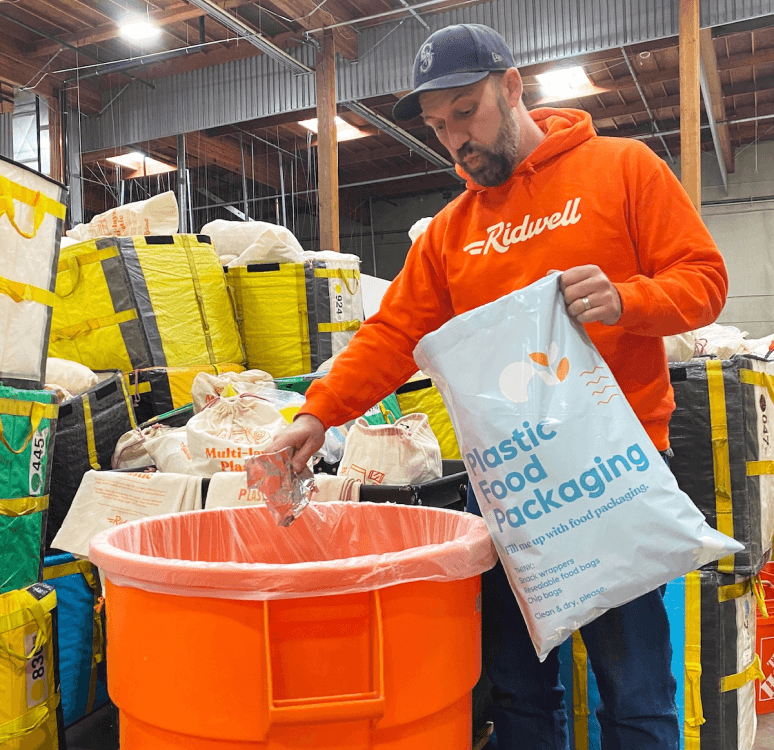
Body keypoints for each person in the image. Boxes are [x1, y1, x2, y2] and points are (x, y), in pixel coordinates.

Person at [271, 23, 727, 750]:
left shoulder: (622, 169)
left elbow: (705, 283)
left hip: (615, 476)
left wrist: (628, 299)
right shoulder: (452, 232)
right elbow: (393, 335)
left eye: (466, 111)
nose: (455, 137)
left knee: (635, 691)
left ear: (513, 87)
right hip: (511, 488)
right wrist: (318, 415)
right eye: (438, 125)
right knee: (518, 693)